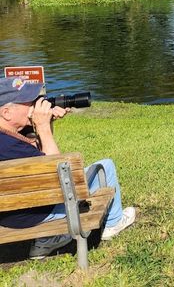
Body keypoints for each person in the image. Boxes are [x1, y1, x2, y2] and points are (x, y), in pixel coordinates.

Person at [0, 78, 136, 259]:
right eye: (29, 102)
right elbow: (57, 177)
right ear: (6, 112)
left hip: (9, 215)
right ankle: (113, 223)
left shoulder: (8, 140)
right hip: (33, 215)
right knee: (106, 166)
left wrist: (46, 123)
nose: (36, 104)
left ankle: (47, 240)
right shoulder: (11, 146)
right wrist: (43, 126)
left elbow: (38, 155)